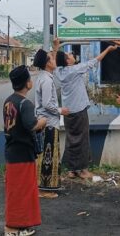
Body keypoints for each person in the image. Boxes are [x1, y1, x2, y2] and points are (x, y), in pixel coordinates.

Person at [54, 39, 118, 179]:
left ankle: (72, 169)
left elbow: (54, 60)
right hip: (79, 110)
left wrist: (55, 47)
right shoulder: (75, 70)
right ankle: (83, 170)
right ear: (67, 62)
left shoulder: (59, 71)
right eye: (68, 55)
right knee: (82, 139)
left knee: (71, 139)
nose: (71, 54)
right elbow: (95, 61)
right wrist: (107, 50)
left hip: (67, 111)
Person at [3, 65, 47, 236]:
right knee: (22, 191)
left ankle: (20, 226)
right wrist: (43, 121)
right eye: (30, 79)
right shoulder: (25, 103)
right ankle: (12, 228)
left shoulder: (9, 100)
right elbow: (32, 125)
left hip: (12, 151)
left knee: (16, 190)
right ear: (27, 83)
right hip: (22, 154)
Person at [32, 48, 68, 198]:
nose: (54, 60)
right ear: (47, 64)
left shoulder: (43, 77)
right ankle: (44, 189)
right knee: (48, 156)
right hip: (48, 123)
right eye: (51, 59)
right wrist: (60, 110)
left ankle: (46, 186)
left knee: (47, 156)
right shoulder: (46, 80)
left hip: (45, 121)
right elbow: (47, 103)